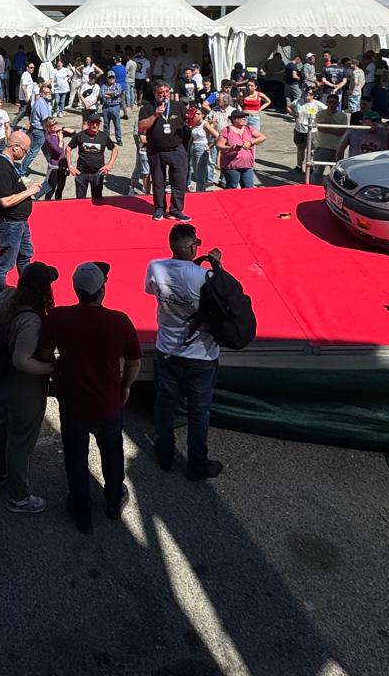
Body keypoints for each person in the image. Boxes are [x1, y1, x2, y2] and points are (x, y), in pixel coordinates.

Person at [40, 262, 141, 532]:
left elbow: (46, 352)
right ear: (102, 290)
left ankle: (81, 509)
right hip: (108, 402)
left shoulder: (59, 317)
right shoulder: (118, 321)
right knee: (111, 451)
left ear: (76, 290)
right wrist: (126, 386)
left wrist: (57, 372)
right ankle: (113, 498)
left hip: (73, 402)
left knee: (75, 455)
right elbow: (133, 360)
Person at [145, 223, 223, 480]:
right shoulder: (205, 277)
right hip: (201, 355)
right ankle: (196, 464)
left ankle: (164, 455)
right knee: (199, 412)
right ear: (192, 247)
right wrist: (217, 266)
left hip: (167, 349)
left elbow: (150, 290)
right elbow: (223, 299)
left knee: (165, 406)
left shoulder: (155, 267)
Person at [0, 261, 58, 513]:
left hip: (0, 375)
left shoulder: (8, 296)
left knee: (3, 423)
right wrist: (51, 368)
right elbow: (22, 360)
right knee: (21, 439)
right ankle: (19, 496)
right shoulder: (31, 319)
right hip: (22, 383)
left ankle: (0, 473)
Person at [0, 130, 40, 294]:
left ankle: (26, 292)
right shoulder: (1, 167)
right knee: (4, 264)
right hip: (11, 224)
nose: (25, 155)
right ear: (16, 147)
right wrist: (28, 191)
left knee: (25, 256)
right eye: (25, 150)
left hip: (19, 222)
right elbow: (5, 201)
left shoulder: (7, 164)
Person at [139, 81, 191, 221]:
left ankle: (176, 209)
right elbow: (142, 127)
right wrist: (155, 115)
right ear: (155, 94)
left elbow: (189, 121)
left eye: (166, 92)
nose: (164, 95)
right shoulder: (147, 108)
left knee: (179, 181)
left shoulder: (178, 106)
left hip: (177, 149)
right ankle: (159, 209)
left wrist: (194, 117)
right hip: (156, 150)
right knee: (158, 181)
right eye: (161, 93)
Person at [70, 113, 120, 205]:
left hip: (97, 173)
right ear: (88, 123)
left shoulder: (103, 136)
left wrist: (110, 164)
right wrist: (70, 166)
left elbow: (114, 149)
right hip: (81, 173)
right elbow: (68, 148)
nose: (94, 125)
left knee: (97, 200)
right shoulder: (80, 135)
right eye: (92, 123)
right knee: (80, 201)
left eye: (97, 123)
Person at [37, 119, 70, 200]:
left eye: (55, 123)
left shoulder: (58, 133)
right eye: (51, 125)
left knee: (60, 189)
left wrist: (62, 128)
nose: (54, 126)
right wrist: (61, 139)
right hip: (54, 167)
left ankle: (58, 205)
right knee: (51, 189)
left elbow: (73, 132)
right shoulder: (49, 138)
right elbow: (58, 151)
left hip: (63, 166)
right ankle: (47, 204)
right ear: (47, 127)